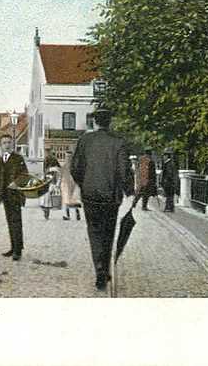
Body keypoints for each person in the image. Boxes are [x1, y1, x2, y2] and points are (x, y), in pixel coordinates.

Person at [70, 108, 131, 291]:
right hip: (111, 197)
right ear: (110, 121)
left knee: (94, 232)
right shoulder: (119, 142)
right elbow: (124, 171)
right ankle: (104, 268)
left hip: (90, 196)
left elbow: (75, 168)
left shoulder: (85, 140)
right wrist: (128, 191)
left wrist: (84, 184)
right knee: (108, 233)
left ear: (94, 121)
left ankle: (99, 271)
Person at [0, 134, 29, 260]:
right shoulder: (0, 160)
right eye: (4, 143)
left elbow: (25, 175)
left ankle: (18, 250)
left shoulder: (18, 158)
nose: (7, 145)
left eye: (9, 142)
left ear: (12, 144)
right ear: (1, 146)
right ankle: (13, 247)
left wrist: (16, 183)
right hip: (5, 195)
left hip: (15, 195)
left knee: (16, 222)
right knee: (10, 222)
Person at [60, 151, 82, 221]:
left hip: (69, 184)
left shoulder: (66, 165)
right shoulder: (73, 165)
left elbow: (61, 174)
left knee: (69, 200)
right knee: (71, 200)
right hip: (69, 183)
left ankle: (70, 215)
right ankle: (74, 214)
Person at [160, 148, 177, 212]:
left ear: (167, 156)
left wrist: (165, 181)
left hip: (169, 182)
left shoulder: (169, 164)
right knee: (169, 195)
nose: (163, 157)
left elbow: (169, 174)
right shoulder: (168, 163)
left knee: (169, 195)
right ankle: (169, 207)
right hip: (168, 182)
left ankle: (169, 207)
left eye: (164, 155)